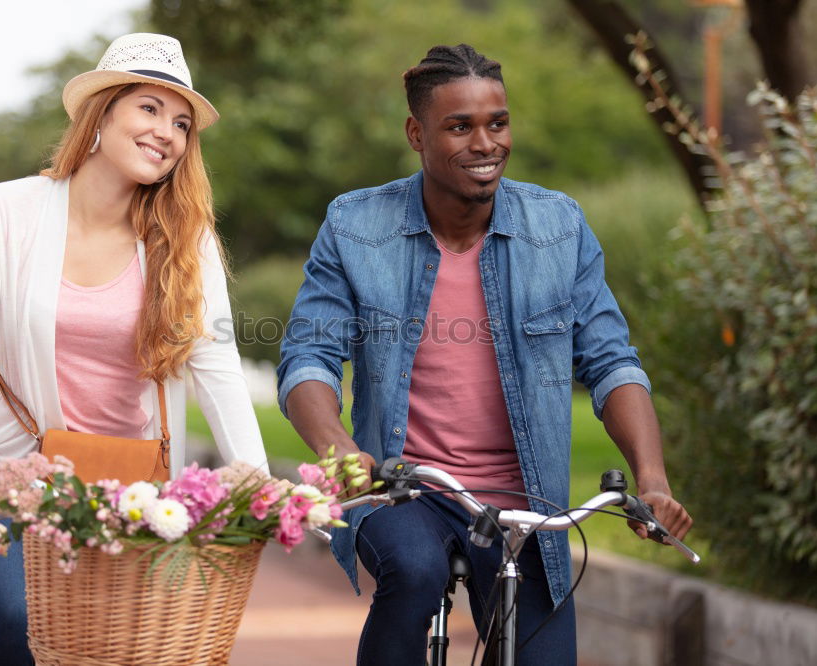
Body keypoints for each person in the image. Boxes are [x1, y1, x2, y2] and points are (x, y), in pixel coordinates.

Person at [277, 44, 693, 665]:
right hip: (406, 491)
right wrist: (339, 448)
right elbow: (308, 353)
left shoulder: (558, 228)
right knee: (414, 571)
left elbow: (611, 362)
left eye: (497, 122)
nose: (485, 143)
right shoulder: (356, 226)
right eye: (459, 126)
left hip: (530, 504)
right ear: (416, 133)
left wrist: (652, 481)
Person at [0, 33, 268, 665]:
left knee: (101, 648)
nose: (166, 131)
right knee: (11, 622)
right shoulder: (6, 211)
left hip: (124, 490)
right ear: (102, 113)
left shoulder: (186, 242)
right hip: (2, 471)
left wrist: (254, 474)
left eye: (182, 122)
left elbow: (214, 364)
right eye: (148, 108)